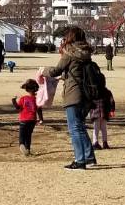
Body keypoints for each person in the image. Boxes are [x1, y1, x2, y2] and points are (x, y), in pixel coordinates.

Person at [39, 25, 101, 169]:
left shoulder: (69, 52)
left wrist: (43, 70)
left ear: (70, 37)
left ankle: (80, 161)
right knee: (80, 126)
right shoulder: (86, 53)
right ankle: (89, 157)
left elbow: (55, 71)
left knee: (75, 128)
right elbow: (75, 72)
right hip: (87, 94)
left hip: (73, 94)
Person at [13, 79, 40, 156]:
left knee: (22, 135)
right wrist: (41, 119)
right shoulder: (37, 99)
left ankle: (21, 145)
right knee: (28, 135)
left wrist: (13, 101)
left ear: (27, 89)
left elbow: (18, 108)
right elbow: (39, 109)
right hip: (32, 120)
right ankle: (28, 149)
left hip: (23, 120)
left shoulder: (23, 98)